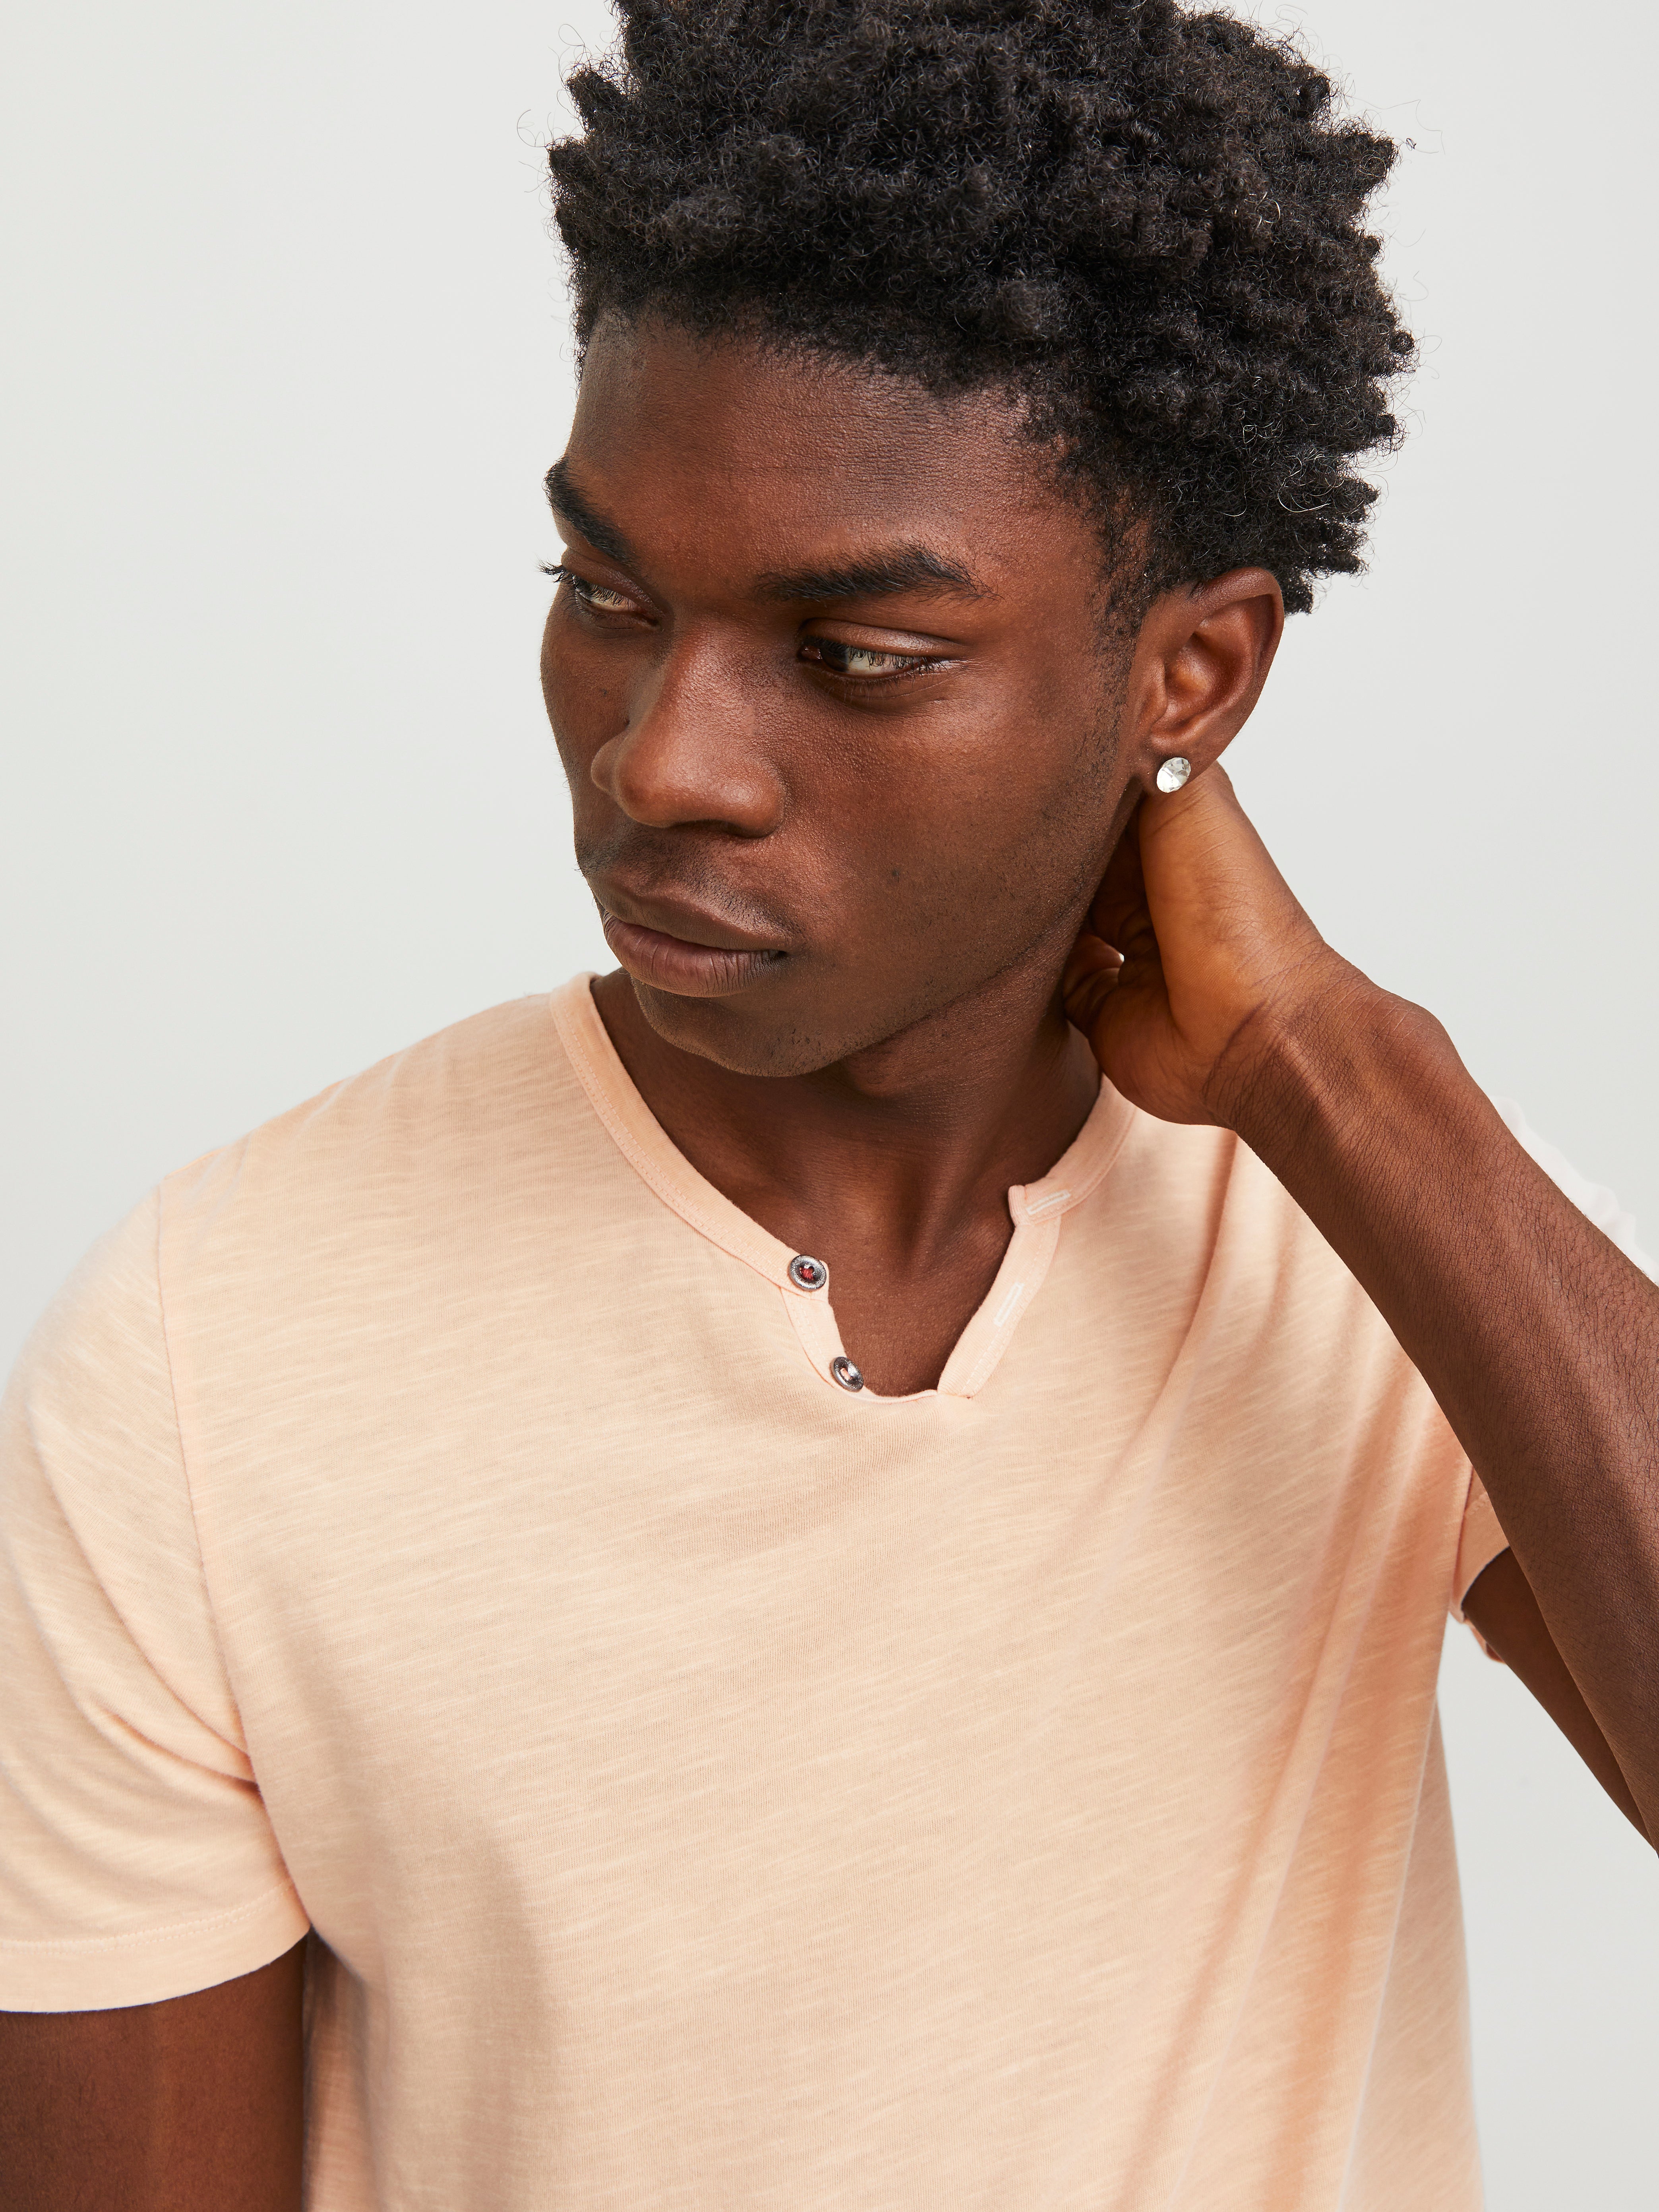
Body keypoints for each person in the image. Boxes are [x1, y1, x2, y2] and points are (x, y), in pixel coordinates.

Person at [2, 0, 1654, 2204]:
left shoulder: (1375, 1236)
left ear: (1192, 674)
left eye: (856, 655)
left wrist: (1330, 1063)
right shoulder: (215, 1345)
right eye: (607, 596)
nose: (662, 760)